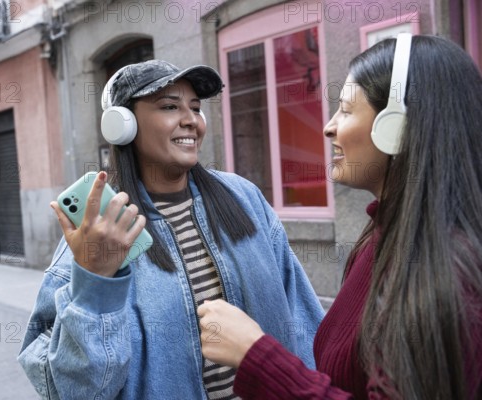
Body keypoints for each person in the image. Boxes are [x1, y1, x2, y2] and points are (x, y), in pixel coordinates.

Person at [18, 59, 324, 399]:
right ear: (123, 125)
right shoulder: (101, 232)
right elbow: (75, 391)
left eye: (196, 108)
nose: (191, 120)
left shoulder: (245, 198)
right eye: (169, 106)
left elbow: (303, 319)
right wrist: (96, 281)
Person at [198, 34, 482, 400]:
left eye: (346, 110)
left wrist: (257, 358)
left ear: (395, 127)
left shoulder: (451, 270)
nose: (329, 126)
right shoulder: (381, 237)